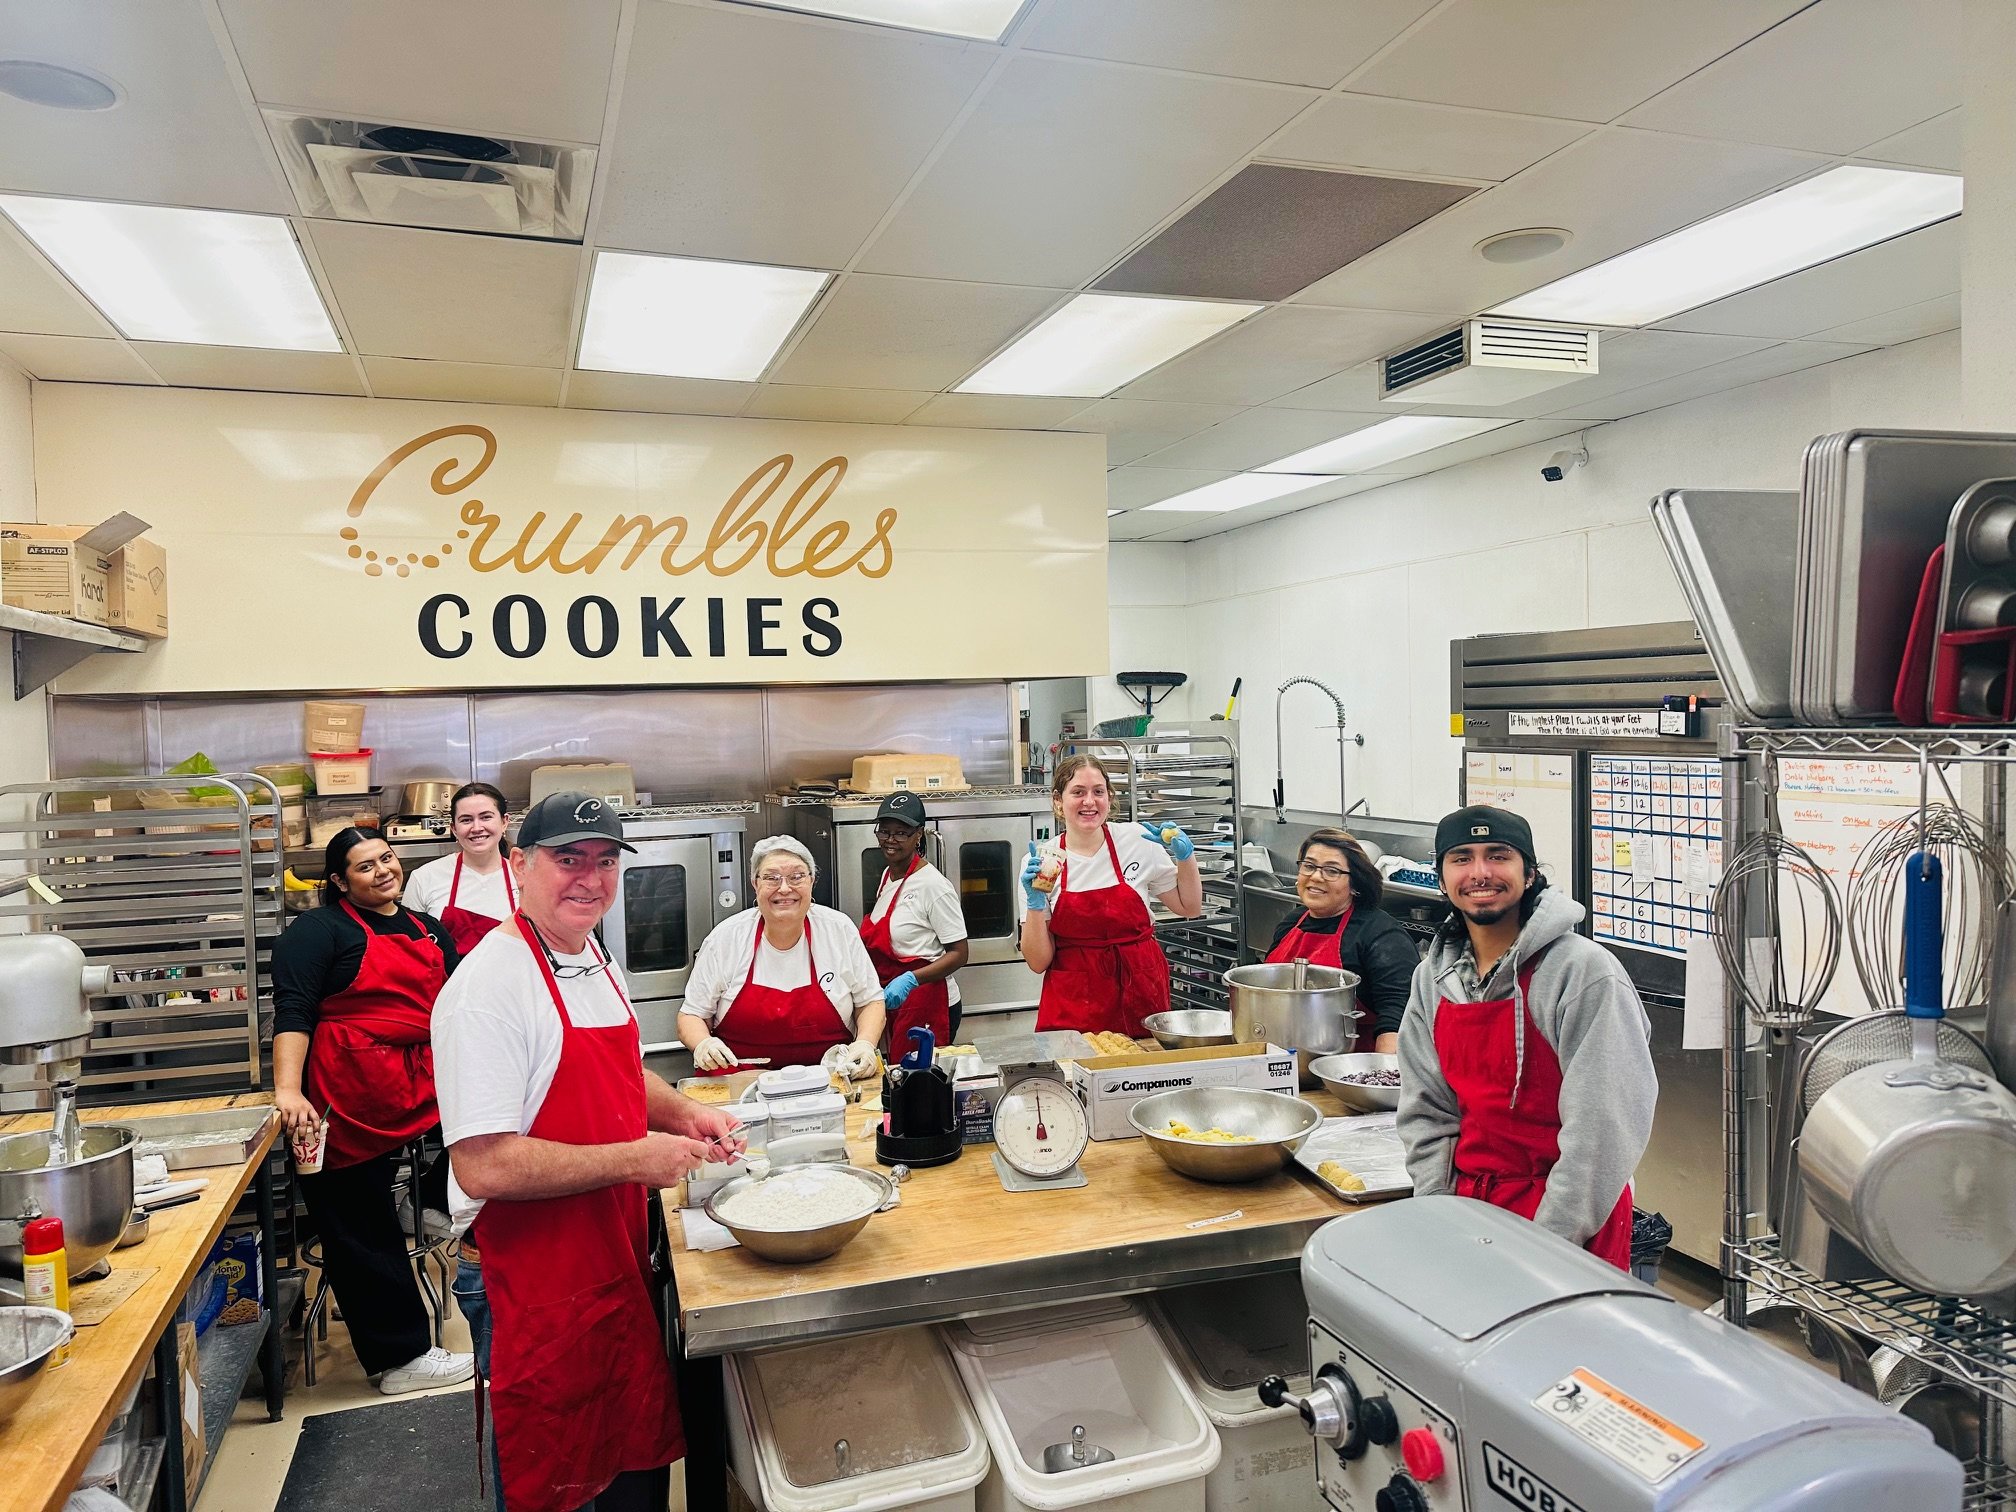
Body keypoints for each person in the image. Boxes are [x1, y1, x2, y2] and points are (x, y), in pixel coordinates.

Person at [434, 792, 744, 1512]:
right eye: (567, 859)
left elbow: (618, 1075)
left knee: (626, 1468)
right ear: (518, 865)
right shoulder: (485, 989)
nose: (590, 879)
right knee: (556, 1478)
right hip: (531, 1275)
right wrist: (637, 1159)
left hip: (608, 1255)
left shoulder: (591, 955)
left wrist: (687, 1111)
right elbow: (484, 1164)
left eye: (605, 862)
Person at [1396, 806, 1655, 1268]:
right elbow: (1427, 1113)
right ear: (1441, 877)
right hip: (1468, 1208)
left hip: (1568, 1218)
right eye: (1461, 858)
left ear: (1529, 873)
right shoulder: (1431, 980)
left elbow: (1603, 1128)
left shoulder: (1581, 973)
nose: (1480, 873)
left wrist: (1550, 1243)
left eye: (1498, 856)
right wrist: (1437, 1209)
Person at [271, 827, 475, 1394]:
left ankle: (427, 1202)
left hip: (421, 1080)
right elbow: (294, 1013)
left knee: (497, 1132)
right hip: (348, 1092)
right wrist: (290, 1092)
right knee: (358, 1223)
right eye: (365, 867)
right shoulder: (317, 932)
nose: (383, 871)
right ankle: (399, 1359)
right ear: (338, 881)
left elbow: (458, 1003)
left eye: (387, 858)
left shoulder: (426, 930)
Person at [1019, 754, 1203, 1038]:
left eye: (1098, 792)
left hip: (1140, 989)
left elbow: (1188, 906)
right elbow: (1037, 962)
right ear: (1058, 800)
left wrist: (1186, 859)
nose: (1089, 802)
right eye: (1078, 792)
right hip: (1075, 999)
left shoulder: (1138, 840)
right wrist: (1034, 904)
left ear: (1110, 797)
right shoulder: (1044, 862)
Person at [679, 836, 887, 1076]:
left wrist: (865, 1044)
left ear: (812, 881)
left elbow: (870, 1001)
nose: (785, 888)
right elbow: (692, 1015)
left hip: (831, 1081)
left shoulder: (838, 930)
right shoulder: (726, 938)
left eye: (797, 877)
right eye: (771, 878)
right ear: (755, 884)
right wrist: (704, 1044)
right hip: (739, 1084)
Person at [1263, 828, 1416, 1053]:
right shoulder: (1292, 922)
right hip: (1283, 1058)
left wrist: (1382, 1077)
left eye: (1332, 870)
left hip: (1351, 1067)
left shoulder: (1381, 934)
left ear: (1355, 884)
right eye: (1309, 866)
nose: (1315, 876)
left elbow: (1398, 1017)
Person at [858, 792, 970, 1051]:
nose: (890, 840)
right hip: (898, 1002)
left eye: (901, 833)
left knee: (920, 1085)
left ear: (919, 834)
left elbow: (960, 954)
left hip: (929, 1002)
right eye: (884, 832)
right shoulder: (888, 875)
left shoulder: (933, 886)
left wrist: (910, 980)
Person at [402, 781, 517, 954]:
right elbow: (412, 950)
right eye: (466, 820)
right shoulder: (424, 877)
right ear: (454, 828)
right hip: (450, 980)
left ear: (504, 822)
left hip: (514, 978)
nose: (477, 828)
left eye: (486, 817)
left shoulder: (526, 877)